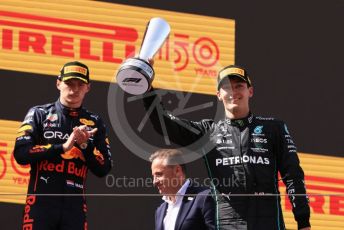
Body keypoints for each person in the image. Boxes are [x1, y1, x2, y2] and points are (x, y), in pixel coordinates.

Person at [143, 65, 311, 230]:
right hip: (227, 224)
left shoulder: (274, 128)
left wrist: (303, 221)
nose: (233, 92)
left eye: (239, 86)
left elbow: (293, 176)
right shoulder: (208, 132)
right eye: (226, 87)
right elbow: (164, 124)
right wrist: (147, 89)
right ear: (218, 95)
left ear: (250, 91)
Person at [14, 61, 113, 229]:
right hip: (40, 205)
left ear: (88, 87)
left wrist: (85, 146)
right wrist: (62, 147)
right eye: (69, 83)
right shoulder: (39, 114)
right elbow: (21, 153)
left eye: (80, 85)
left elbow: (104, 168)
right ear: (58, 83)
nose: (74, 90)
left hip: (74, 208)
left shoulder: (95, 122)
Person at [150, 148, 216, 230]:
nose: (154, 182)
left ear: (177, 170)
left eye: (159, 174)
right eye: (153, 176)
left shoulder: (204, 197)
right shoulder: (160, 210)